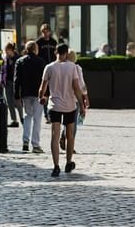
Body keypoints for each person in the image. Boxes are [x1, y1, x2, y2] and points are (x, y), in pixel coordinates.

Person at [38, 43, 88, 177]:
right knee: (70, 135)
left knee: (55, 135)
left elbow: (42, 88)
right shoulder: (72, 67)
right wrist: (82, 106)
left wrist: (41, 97)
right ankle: (68, 162)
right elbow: (77, 88)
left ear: (56, 52)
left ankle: (55, 166)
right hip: (69, 106)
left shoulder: (49, 67)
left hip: (54, 105)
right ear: (66, 53)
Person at [14, 41, 47, 153]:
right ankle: (35, 144)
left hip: (25, 93)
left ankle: (25, 141)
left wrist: (16, 94)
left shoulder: (20, 61)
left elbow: (16, 80)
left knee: (27, 116)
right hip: (38, 93)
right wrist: (46, 94)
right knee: (37, 119)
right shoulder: (41, 62)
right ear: (35, 49)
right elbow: (45, 80)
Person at [59, 49, 89, 154]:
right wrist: (85, 98)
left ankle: (63, 136)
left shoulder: (59, 67)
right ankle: (69, 145)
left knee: (66, 120)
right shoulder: (76, 68)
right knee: (73, 122)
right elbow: (81, 85)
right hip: (74, 99)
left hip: (61, 98)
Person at [0, 42, 21, 127]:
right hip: (7, 82)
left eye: (7, 50)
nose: (6, 52)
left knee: (18, 101)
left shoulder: (18, 59)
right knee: (9, 102)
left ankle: (22, 118)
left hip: (16, 82)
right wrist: (2, 81)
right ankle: (14, 120)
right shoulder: (5, 59)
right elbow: (2, 70)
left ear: (11, 50)